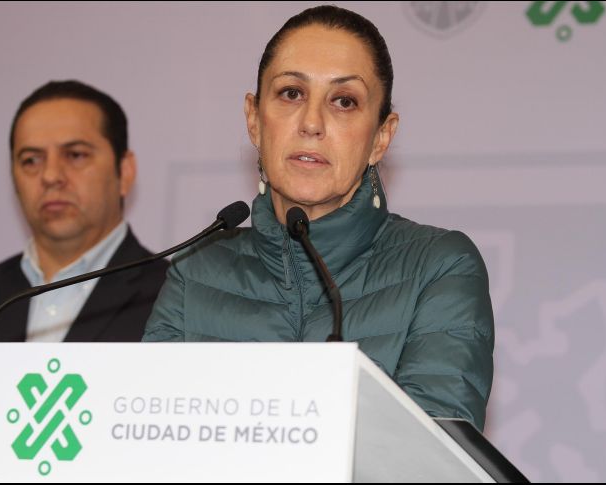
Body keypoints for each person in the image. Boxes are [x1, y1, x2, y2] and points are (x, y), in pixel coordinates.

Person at [143, 6, 494, 431]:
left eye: (344, 101)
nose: (311, 123)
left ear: (380, 137)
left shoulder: (438, 266)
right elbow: (150, 447)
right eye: (291, 93)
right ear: (254, 120)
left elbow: (431, 462)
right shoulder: (196, 272)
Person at [0, 80, 168, 342]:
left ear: (125, 171)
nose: (50, 176)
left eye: (75, 155)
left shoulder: (176, 300)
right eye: (31, 160)